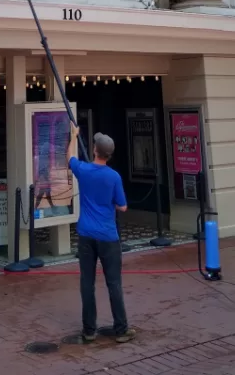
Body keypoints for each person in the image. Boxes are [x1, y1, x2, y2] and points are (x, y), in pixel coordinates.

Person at [67, 124, 135, 343]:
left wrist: (73, 136)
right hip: (108, 236)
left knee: (87, 283)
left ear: (95, 150)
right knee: (113, 283)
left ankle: (89, 330)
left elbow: (69, 158)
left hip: (86, 234)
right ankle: (121, 328)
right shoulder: (113, 177)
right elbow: (122, 206)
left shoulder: (84, 171)